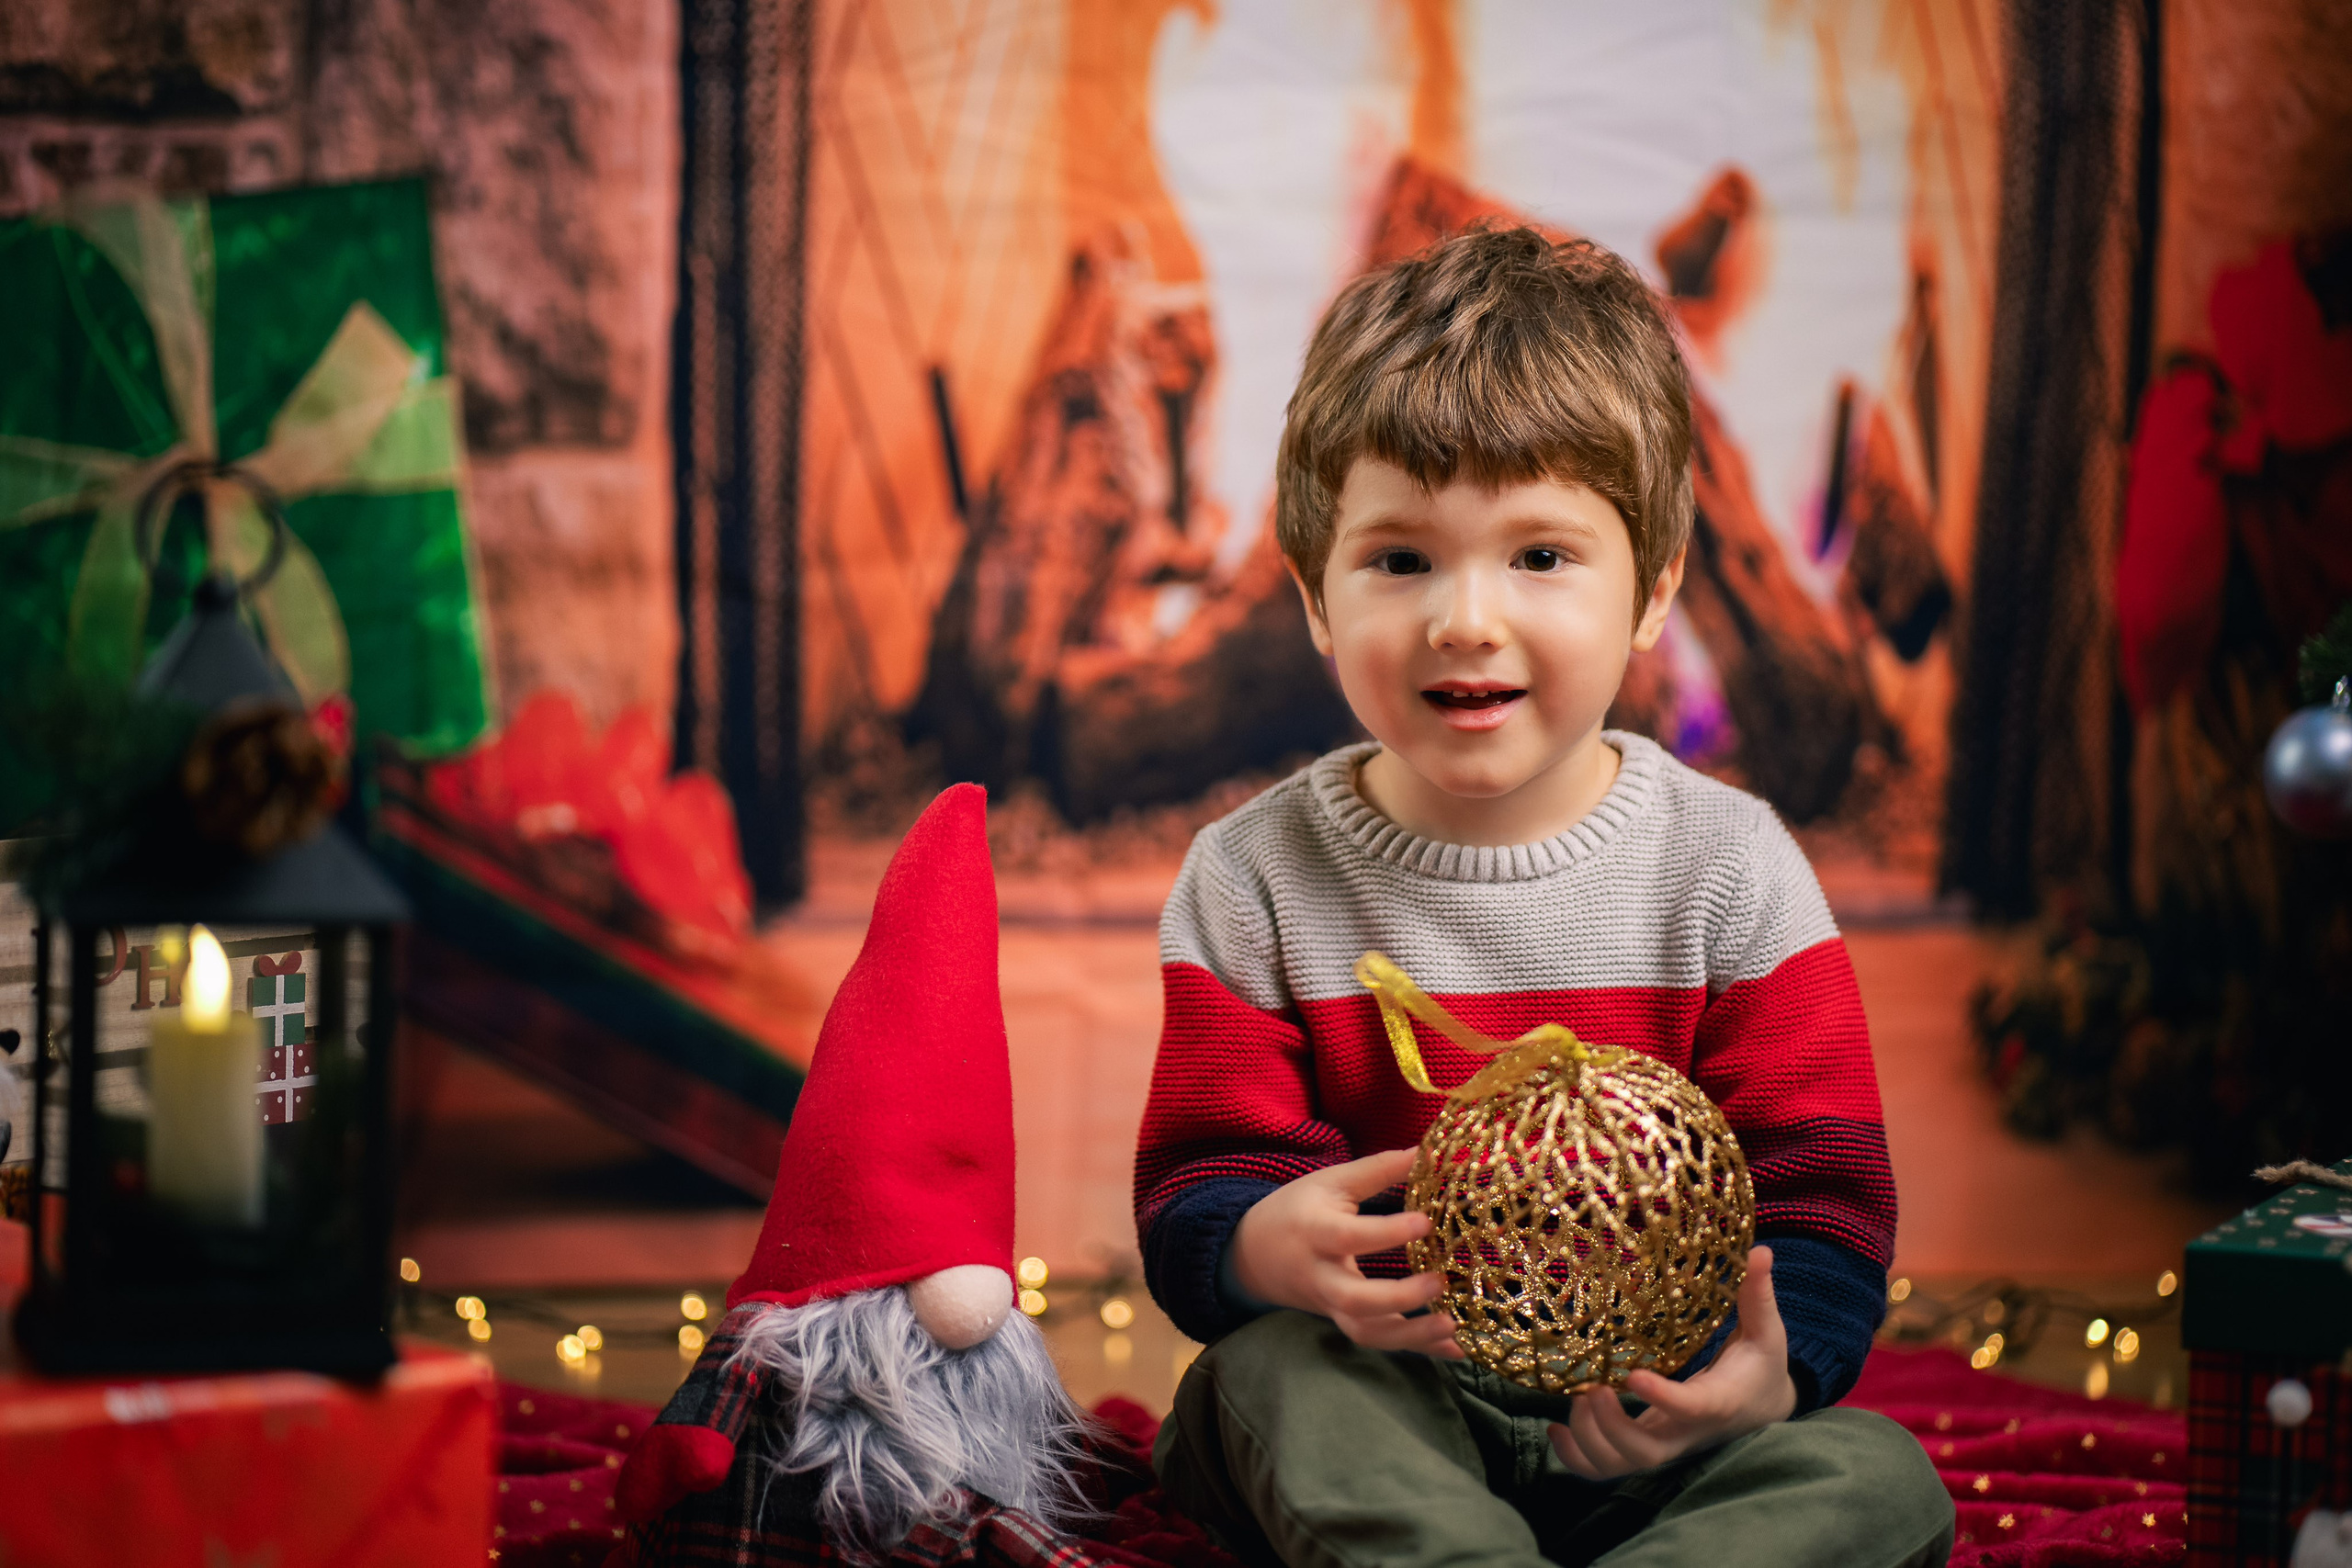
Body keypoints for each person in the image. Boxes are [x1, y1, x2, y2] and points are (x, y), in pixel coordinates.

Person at [1132, 226, 1954, 1568]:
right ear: (1315, 598)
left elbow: (1824, 1205)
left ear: (1656, 588)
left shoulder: (1732, 868)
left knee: (1878, 1479)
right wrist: (1258, 1250)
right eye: (1401, 560)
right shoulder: (1254, 878)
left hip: (1651, 1431)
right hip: (1381, 1393)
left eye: (1541, 556)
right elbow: (1196, 1187)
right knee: (1264, 1386)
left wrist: (1761, 1379)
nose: (1466, 617)